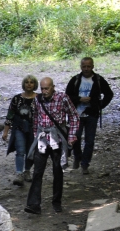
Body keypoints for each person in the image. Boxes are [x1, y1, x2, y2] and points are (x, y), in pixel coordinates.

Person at [25, 77, 79, 215]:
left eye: (46, 88)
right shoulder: (37, 100)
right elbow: (36, 117)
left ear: (53, 87)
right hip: (43, 138)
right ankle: (33, 204)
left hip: (58, 138)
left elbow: (73, 116)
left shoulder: (63, 98)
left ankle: (57, 202)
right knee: (37, 171)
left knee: (57, 170)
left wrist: (72, 135)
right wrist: (36, 135)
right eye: (42, 88)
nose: (44, 91)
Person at [64, 57, 114, 175]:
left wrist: (99, 105)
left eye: (88, 66)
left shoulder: (98, 80)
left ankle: (85, 164)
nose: (86, 69)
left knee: (89, 141)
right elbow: (67, 96)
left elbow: (109, 94)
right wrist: (79, 99)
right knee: (75, 137)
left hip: (92, 114)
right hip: (77, 114)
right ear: (81, 67)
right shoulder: (75, 80)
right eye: (84, 66)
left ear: (92, 66)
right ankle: (77, 156)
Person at [1, 75, 37, 187]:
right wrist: (5, 131)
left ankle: (27, 171)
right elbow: (10, 115)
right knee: (20, 150)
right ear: (23, 84)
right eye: (27, 82)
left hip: (34, 128)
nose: (29, 84)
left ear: (35, 84)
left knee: (31, 151)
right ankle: (19, 174)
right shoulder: (16, 99)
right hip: (19, 128)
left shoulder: (39, 99)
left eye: (31, 82)